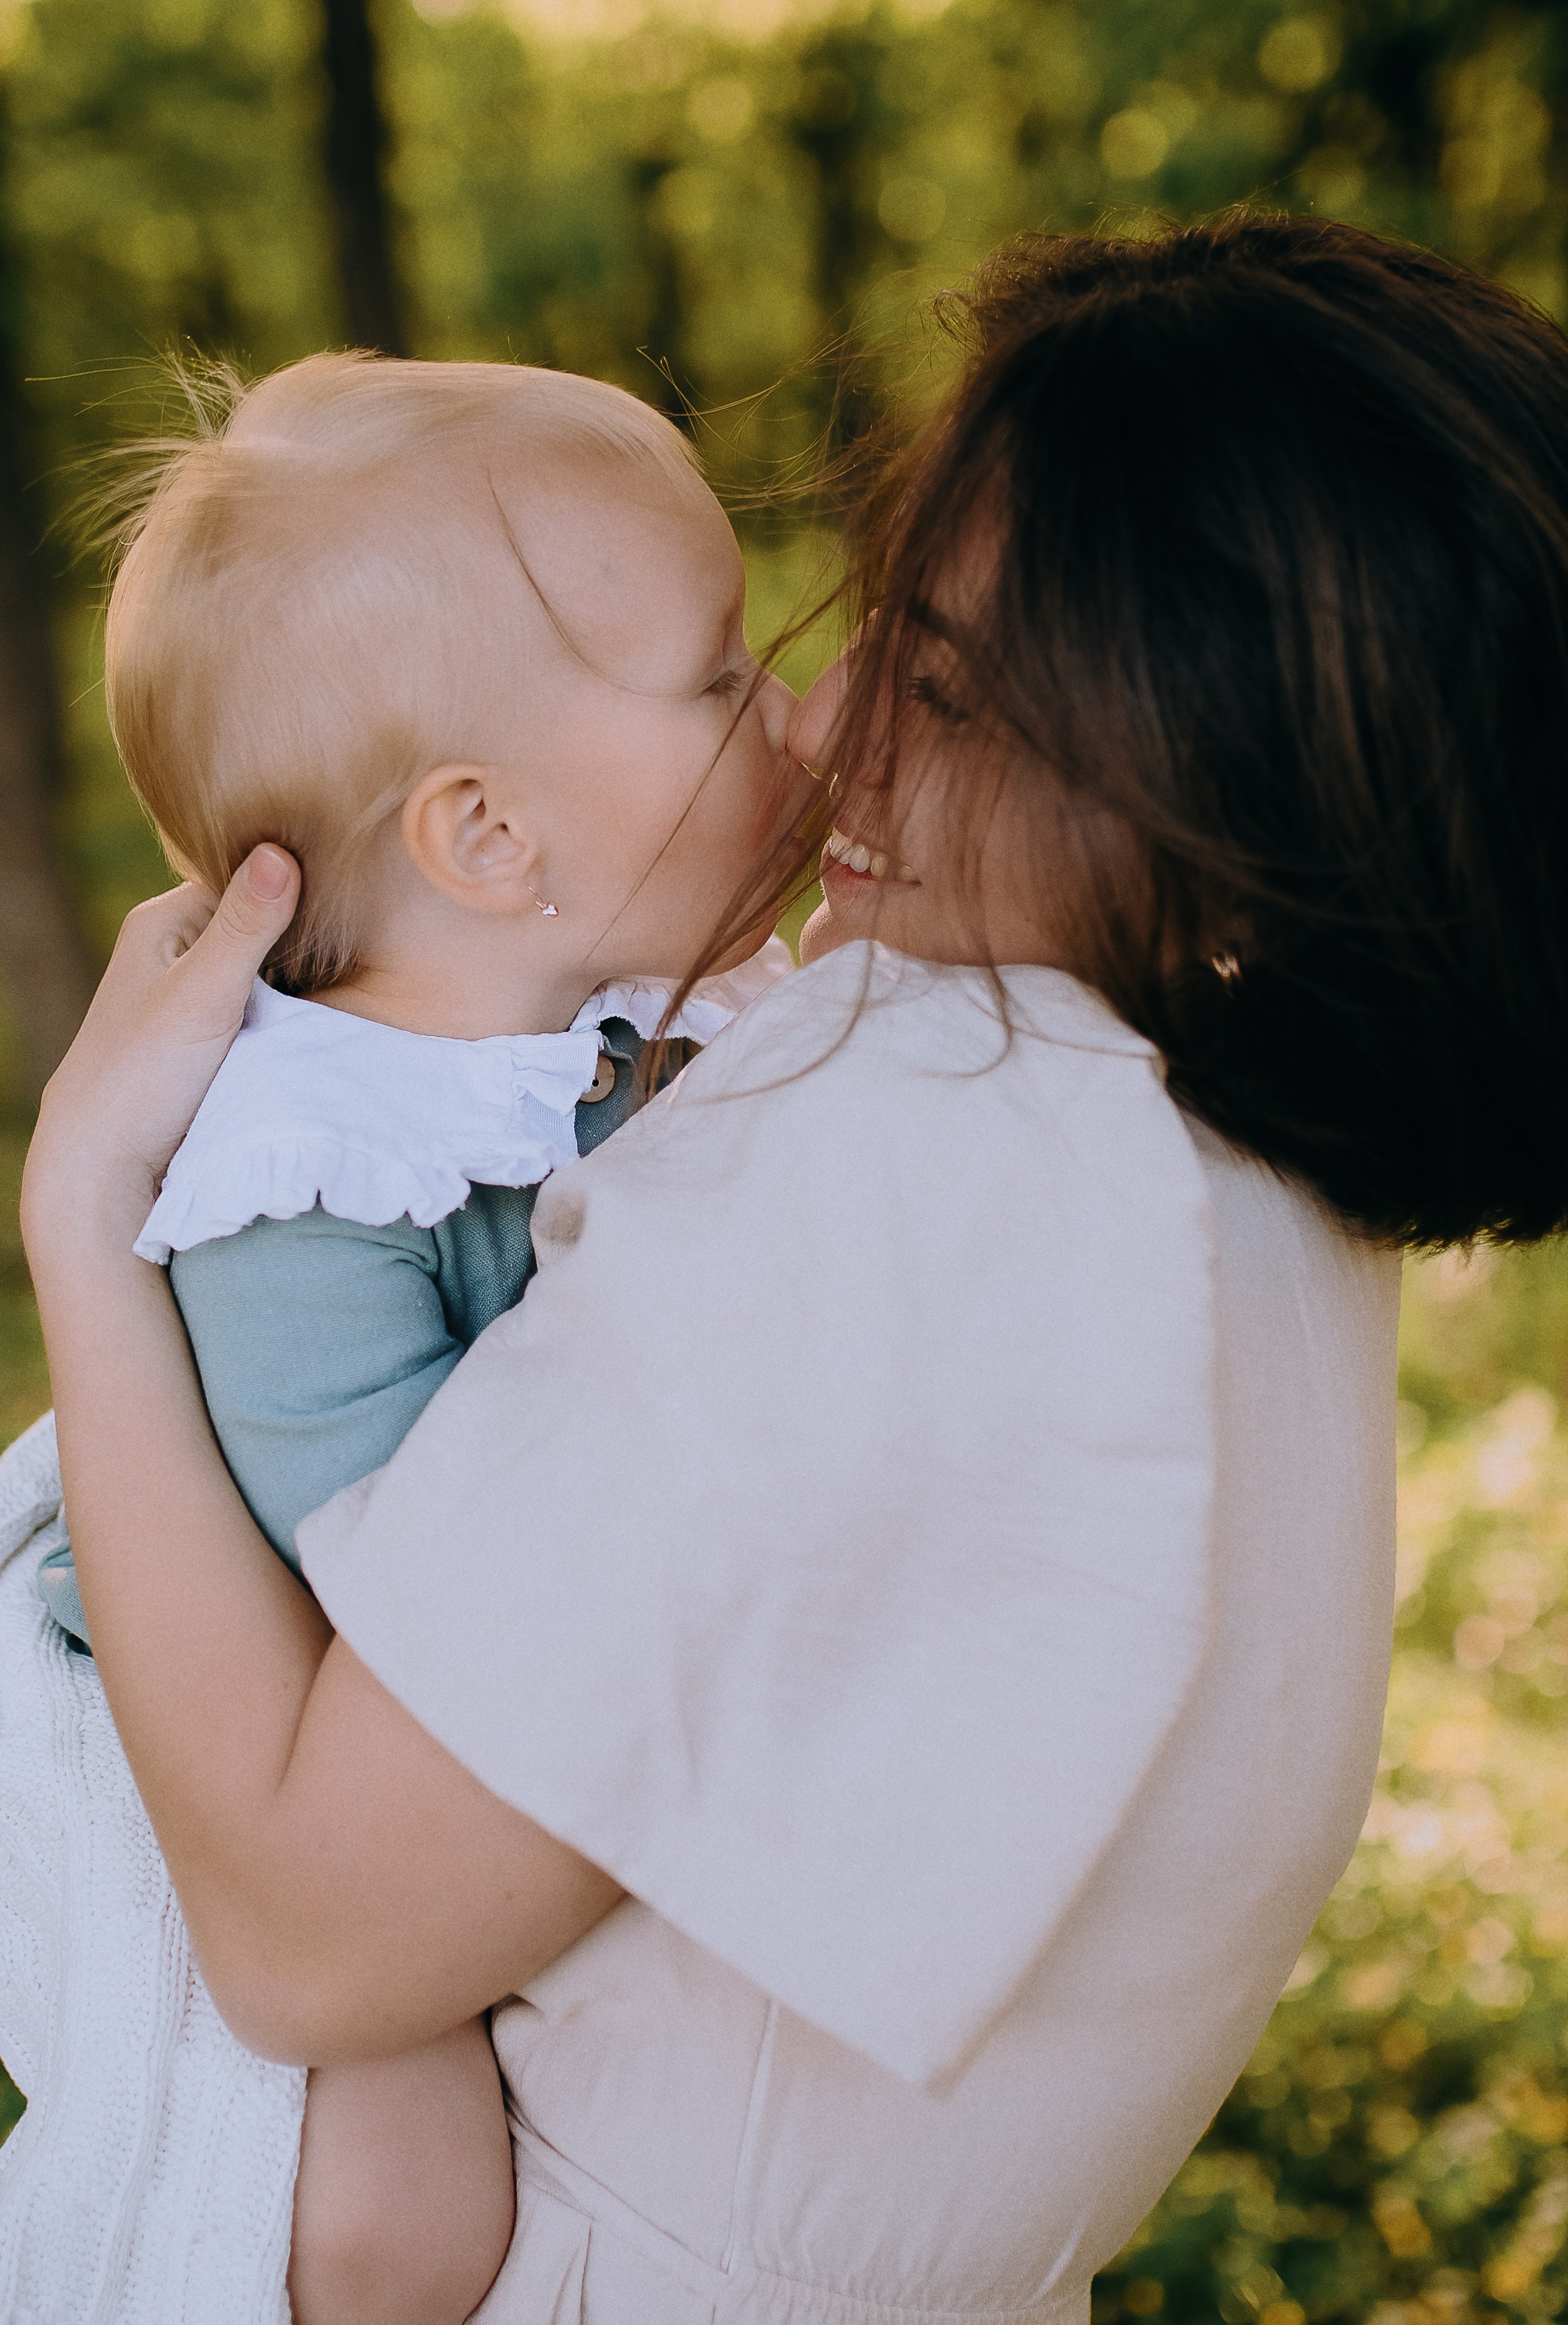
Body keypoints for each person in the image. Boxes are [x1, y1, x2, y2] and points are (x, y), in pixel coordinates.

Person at [19, 211, 1568, 2323]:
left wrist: (85, 1223)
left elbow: (306, 1937)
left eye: (946, 688)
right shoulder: (1243, 1174)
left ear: (1229, 816)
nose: (829, 722)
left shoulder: (924, 1130)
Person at [24, 351, 795, 2325]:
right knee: (392, 2213)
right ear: (488, 838)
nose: (788, 708)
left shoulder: (611, 1032)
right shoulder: (308, 1174)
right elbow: (364, 1561)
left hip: (455, 1685)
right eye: (720, 679)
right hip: (229, 1704)